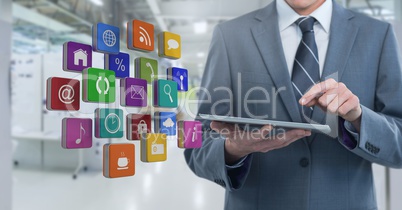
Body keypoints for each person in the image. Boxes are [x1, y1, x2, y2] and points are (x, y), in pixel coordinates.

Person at [184, 0, 402, 209]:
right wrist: (231, 150)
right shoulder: (230, 36)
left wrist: (358, 118)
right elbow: (195, 144)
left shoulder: (377, 35)